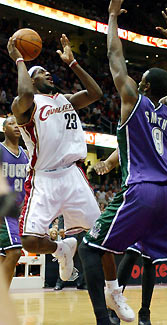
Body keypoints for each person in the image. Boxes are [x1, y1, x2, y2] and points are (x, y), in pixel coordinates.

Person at [79, 2, 167, 325]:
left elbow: (115, 58)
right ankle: (136, 308)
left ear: (144, 85)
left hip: (142, 190)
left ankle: (104, 318)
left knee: (90, 248)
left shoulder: (132, 100)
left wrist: (113, 17)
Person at [7, 32, 132, 319]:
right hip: (44, 178)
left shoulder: (66, 100)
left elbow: (97, 94)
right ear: (32, 79)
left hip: (73, 176)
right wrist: (20, 60)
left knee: (101, 239)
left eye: (48, 71)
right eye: (42, 73)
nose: (48, 73)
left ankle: (114, 292)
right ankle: (61, 249)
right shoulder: (25, 107)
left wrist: (73, 63)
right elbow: (25, 93)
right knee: (28, 240)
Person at [94, 119, 167, 325]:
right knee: (136, 254)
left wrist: (108, 163)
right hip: (148, 195)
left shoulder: (159, 129)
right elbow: (122, 147)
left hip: (152, 196)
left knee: (147, 258)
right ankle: (120, 310)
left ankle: (140, 312)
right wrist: (108, 162)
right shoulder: (148, 126)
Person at [0, 116, 29, 287]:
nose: (16, 126)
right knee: (15, 251)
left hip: (18, 210)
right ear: (4, 129)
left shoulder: (25, 154)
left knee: (4, 257)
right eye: (11, 123)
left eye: (17, 123)